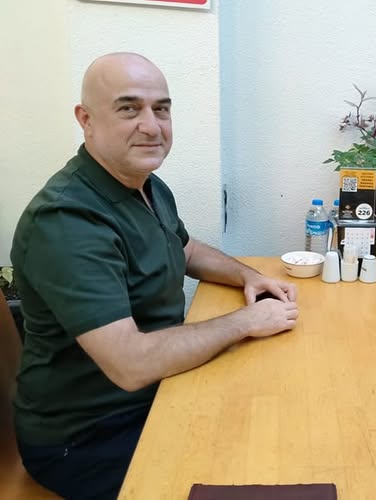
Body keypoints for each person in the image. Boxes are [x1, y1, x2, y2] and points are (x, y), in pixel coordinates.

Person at [10, 52, 299, 499]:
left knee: (282, 419)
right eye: (129, 108)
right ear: (86, 120)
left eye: (161, 109)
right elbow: (131, 364)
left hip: (156, 395)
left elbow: (184, 249)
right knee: (256, 467)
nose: (152, 125)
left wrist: (247, 277)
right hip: (88, 438)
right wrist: (245, 322)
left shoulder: (144, 184)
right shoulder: (67, 221)